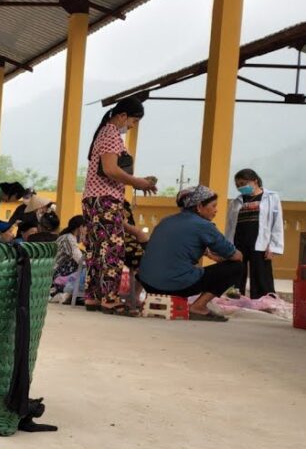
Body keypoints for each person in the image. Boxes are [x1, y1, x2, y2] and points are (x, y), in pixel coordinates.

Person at [81, 97, 158, 315]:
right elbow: (111, 170)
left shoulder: (103, 133)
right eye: (133, 121)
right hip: (105, 198)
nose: (132, 126)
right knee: (113, 249)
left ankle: (93, 297)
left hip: (93, 198)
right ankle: (110, 299)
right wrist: (138, 182)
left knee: (97, 250)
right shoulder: (111, 134)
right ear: (123, 116)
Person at [138, 186, 243, 321]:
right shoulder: (204, 226)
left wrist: (209, 254)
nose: (216, 210)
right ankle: (198, 307)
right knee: (236, 267)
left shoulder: (166, 221)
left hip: (148, 283)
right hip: (175, 286)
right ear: (199, 207)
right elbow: (236, 256)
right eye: (213, 206)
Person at [224, 168, 284, 299]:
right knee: (236, 273)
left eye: (243, 183)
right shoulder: (235, 202)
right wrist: (227, 247)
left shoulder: (271, 197)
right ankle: (234, 299)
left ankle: (264, 302)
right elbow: (229, 226)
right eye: (238, 185)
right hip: (238, 242)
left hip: (260, 242)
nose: (241, 187)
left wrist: (273, 246)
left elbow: (277, 224)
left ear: (255, 181)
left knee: (261, 275)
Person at [51, 215, 86, 299]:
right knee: (83, 267)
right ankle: (59, 286)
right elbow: (80, 260)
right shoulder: (68, 238)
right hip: (54, 273)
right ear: (81, 227)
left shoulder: (68, 237)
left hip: (56, 270)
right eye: (86, 228)